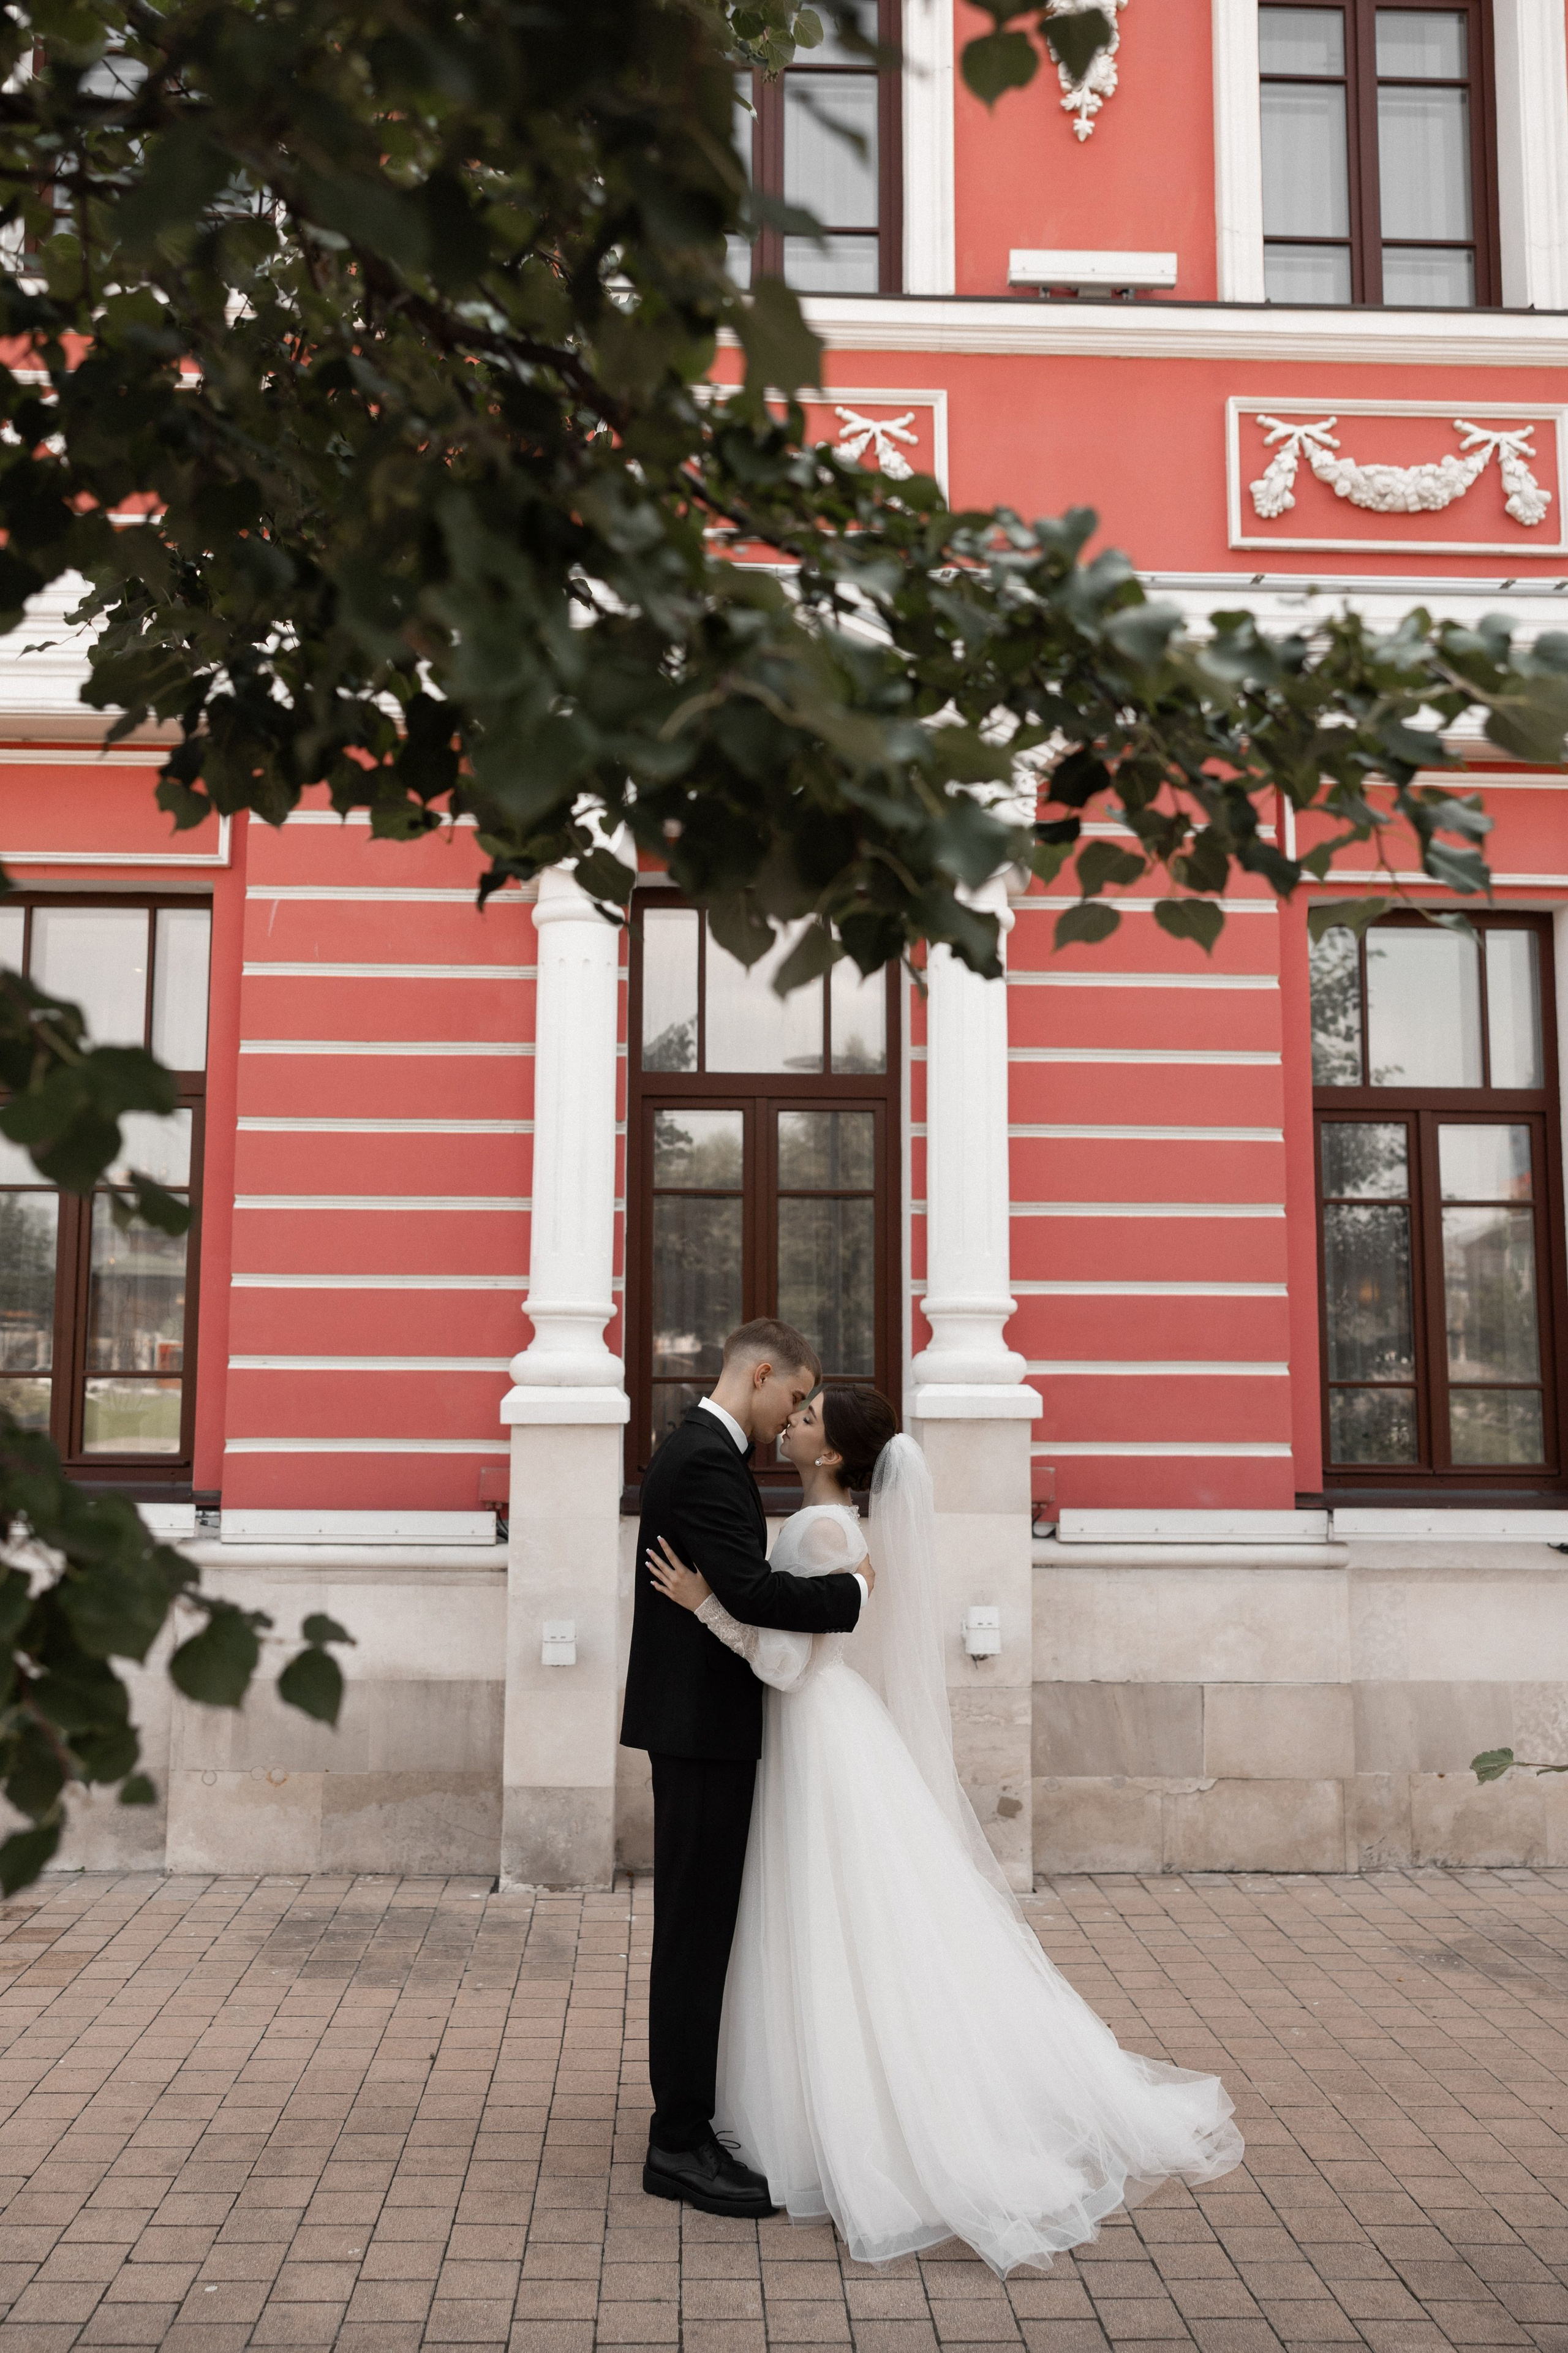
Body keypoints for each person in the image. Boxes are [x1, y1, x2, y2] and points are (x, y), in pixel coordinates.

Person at [645, 1383, 1244, 2277]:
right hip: (838, 1723)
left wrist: (703, 1603)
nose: (794, 1421)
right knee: (859, 1923)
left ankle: (831, 2106)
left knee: (823, 1918)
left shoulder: (818, 1532)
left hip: (811, 1727)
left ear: (835, 1456)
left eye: (809, 1418)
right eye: (797, 1408)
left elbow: (781, 1658)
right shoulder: (836, 1528)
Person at [620, 1319, 870, 2221]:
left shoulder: (700, 1452)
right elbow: (754, 1594)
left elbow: (731, 1594)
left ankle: (688, 2119)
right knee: (694, 1932)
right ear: (759, 1372)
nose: (791, 1414)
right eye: (792, 1395)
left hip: (702, 1724)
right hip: (700, 1727)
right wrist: (854, 1593)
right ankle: (678, 2143)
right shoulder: (703, 1458)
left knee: (701, 1927)